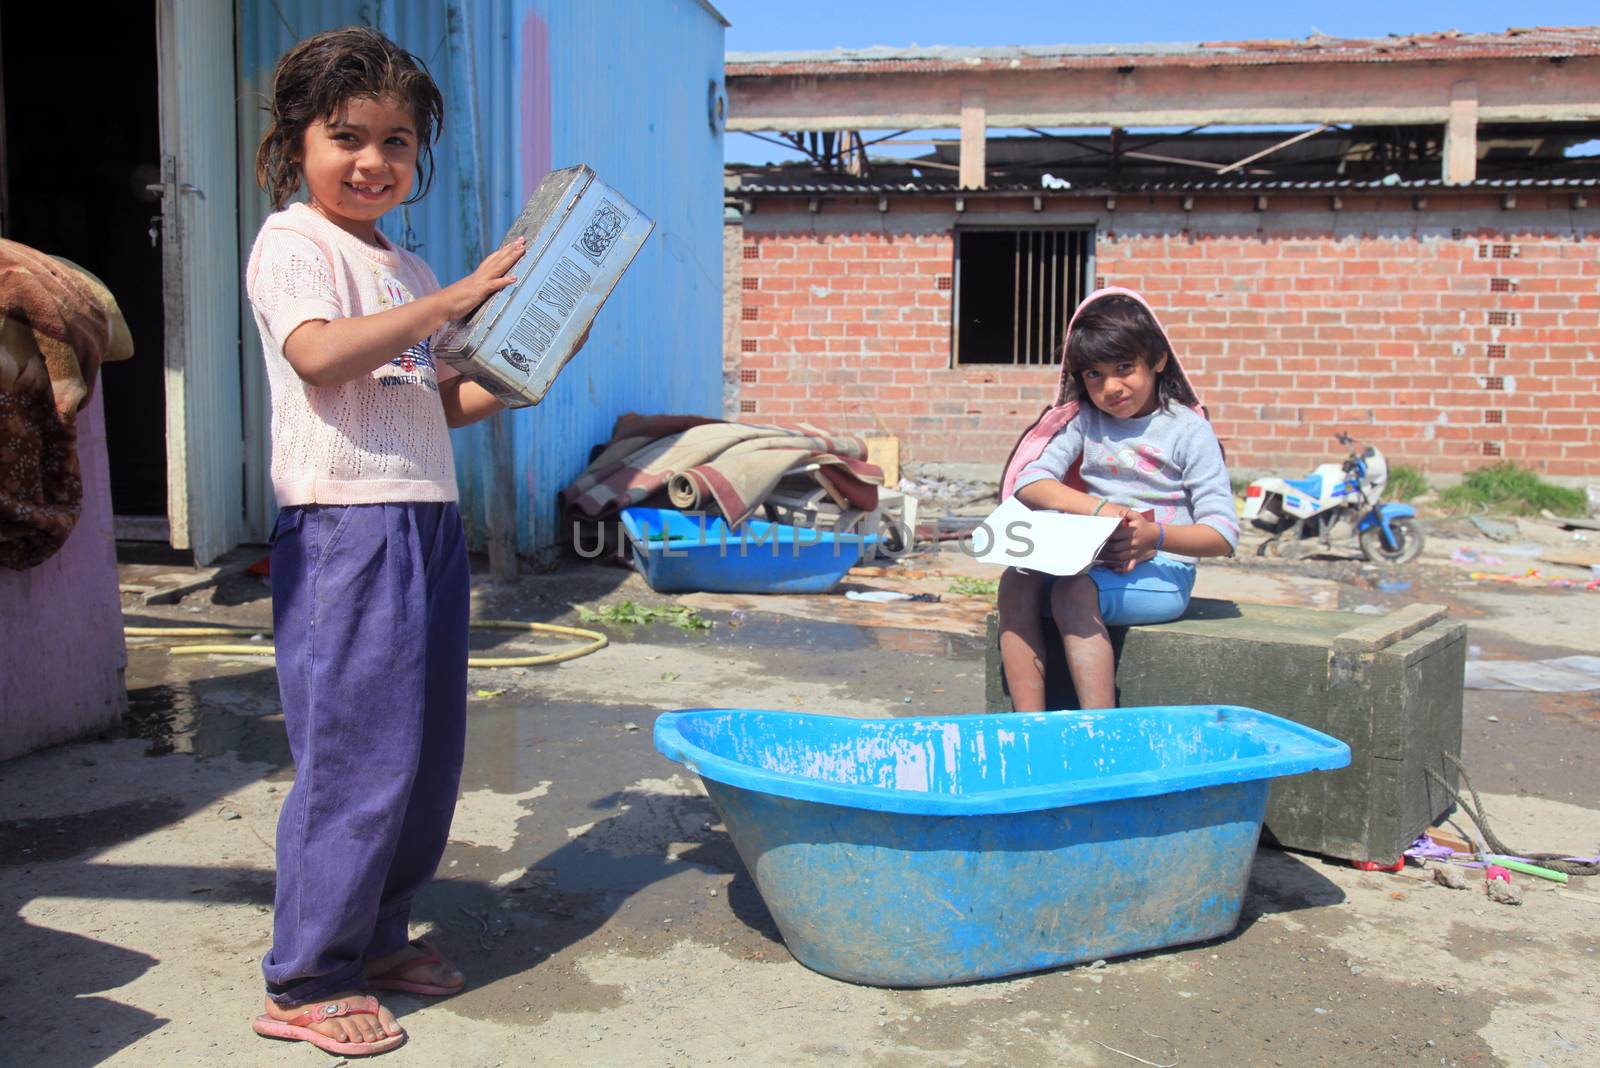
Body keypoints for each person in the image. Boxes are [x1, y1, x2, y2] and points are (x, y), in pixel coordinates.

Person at [245, 26, 524, 1057]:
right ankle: (309, 972)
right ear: (295, 144)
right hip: (342, 525)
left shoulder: (401, 261)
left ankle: (378, 936)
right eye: (347, 136)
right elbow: (321, 359)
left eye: (397, 141)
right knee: (354, 754)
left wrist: (541, 340)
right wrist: (448, 302)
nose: (373, 161)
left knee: (421, 752)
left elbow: (446, 400)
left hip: (424, 518)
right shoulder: (293, 246)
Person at [996, 288, 1239, 712]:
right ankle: (1028, 728)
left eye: (1124, 367)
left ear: (1158, 360)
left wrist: (1155, 536)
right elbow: (1030, 480)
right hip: (1092, 559)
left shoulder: (1187, 430)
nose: (1111, 387)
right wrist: (1102, 511)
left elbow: (1222, 534)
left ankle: (1100, 731)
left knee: (1071, 592)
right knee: (1016, 582)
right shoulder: (1084, 421)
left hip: (1162, 574)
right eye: (1094, 374)